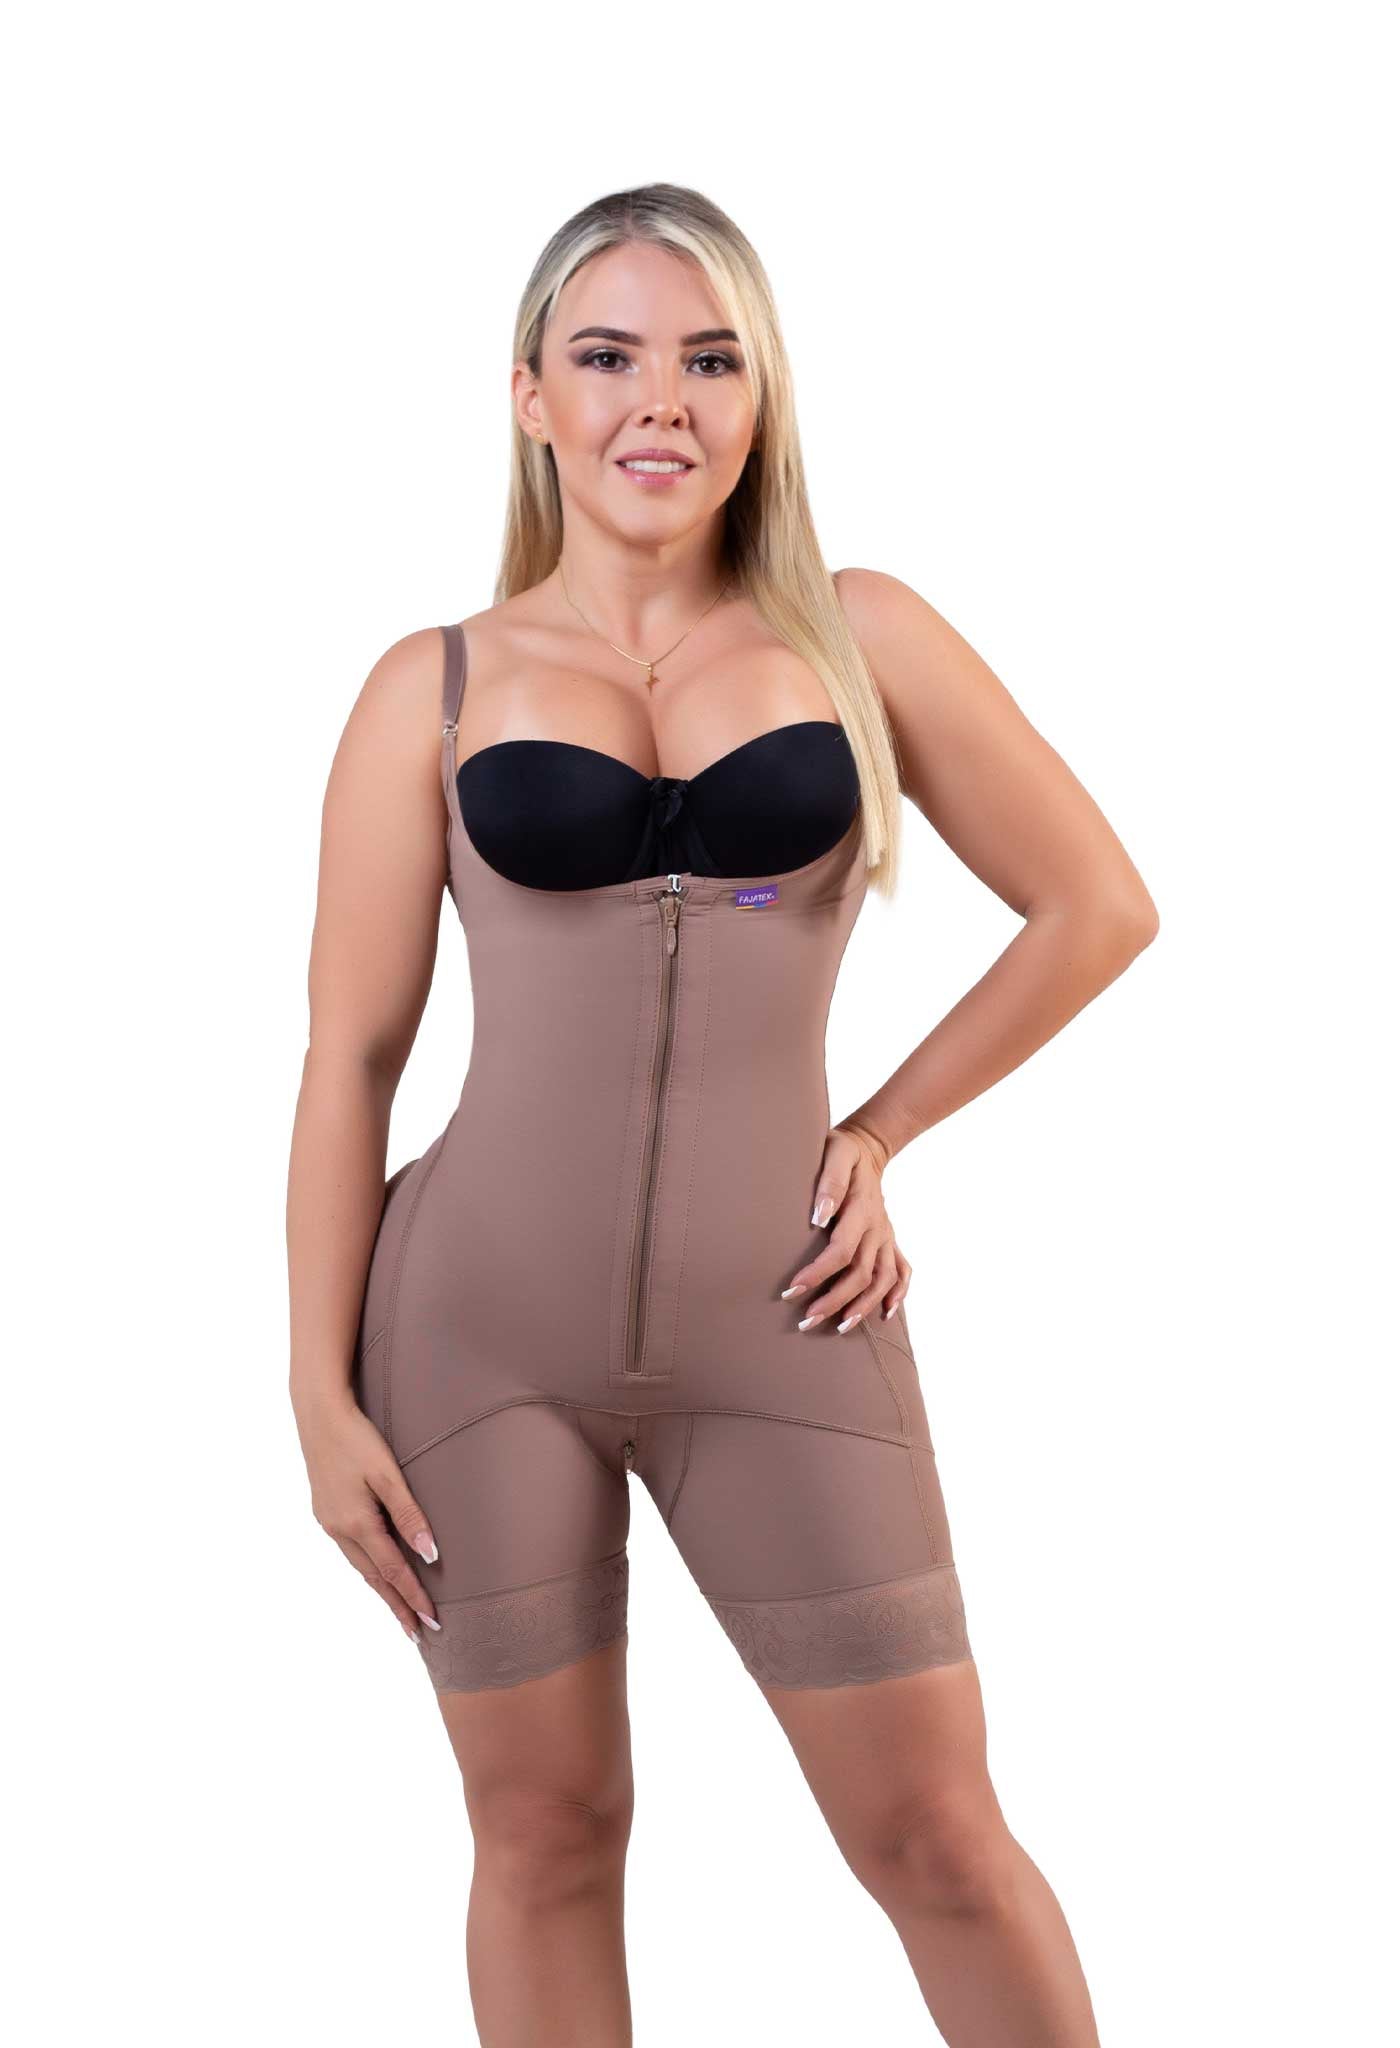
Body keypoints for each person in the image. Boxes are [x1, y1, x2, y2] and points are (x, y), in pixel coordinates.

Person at [287, 182, 1156, 2046]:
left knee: (936, 1834)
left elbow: (1098, 907)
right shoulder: (431, 687)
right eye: (607, 357)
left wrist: (882, 1132)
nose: (658, 403)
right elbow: (350, 1059)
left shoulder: (859, 638)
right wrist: (313, 1393)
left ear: (762, 399)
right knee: (544, 1836)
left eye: (710, 360)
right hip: (469, 1345)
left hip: (789, 1323)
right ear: (531, 396)